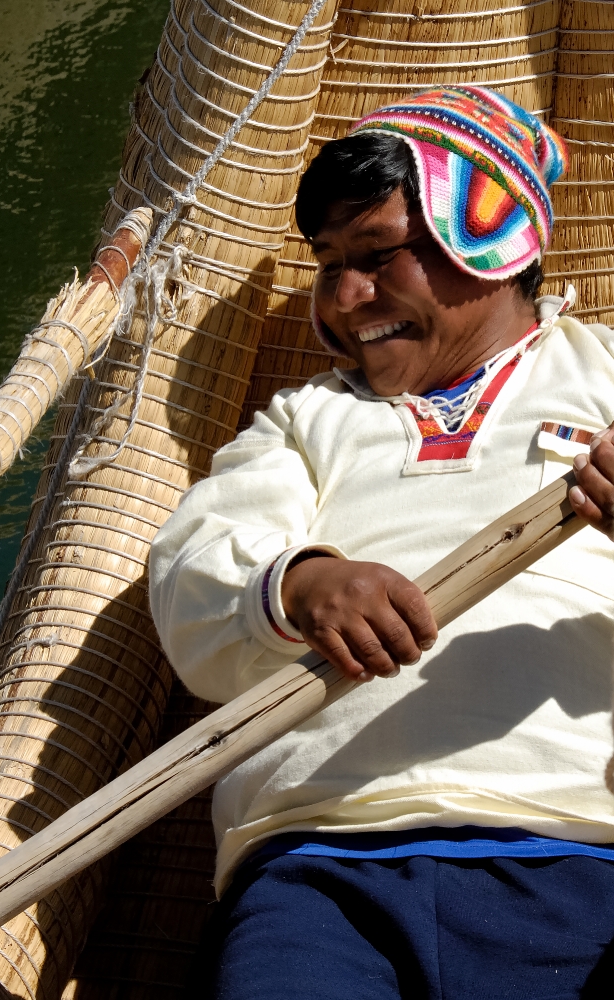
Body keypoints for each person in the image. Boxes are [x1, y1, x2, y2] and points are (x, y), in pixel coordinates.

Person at [150, 87, 614, 998]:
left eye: (378, 256)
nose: (348, 295)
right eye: (328, 262)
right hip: (318, 861)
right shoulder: (301, 421)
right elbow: (196, 565)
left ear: (486, 239)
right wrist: (300, 584)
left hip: (581, 840)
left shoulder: (602, 375)